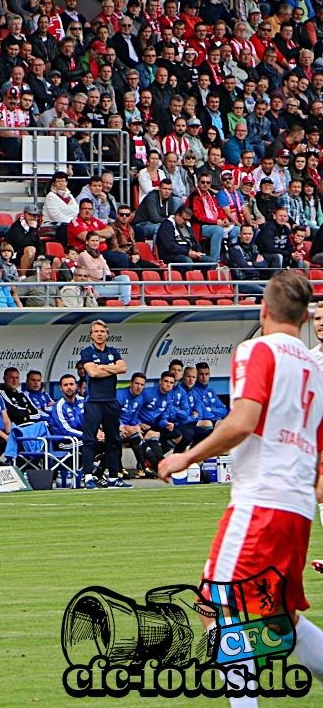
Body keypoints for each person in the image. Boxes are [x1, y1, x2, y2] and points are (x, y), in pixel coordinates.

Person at [158, 271, 323, 691]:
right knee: (280, 616)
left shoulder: (257, 350)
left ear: (263, 310)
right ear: (305, 318)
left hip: (261, 501)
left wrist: (187, 456)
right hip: (298, 507)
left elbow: (243, 421)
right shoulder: (313, 366)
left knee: (214, 609)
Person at [79, 319, 131, 489]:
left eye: (102, 331)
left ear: (107, 334)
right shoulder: (86, 352)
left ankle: (113, 477)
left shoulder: (113, 351)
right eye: (96, 331)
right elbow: (92, 372)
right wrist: (110, 367)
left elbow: (123, 368)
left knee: (114, 440)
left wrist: (103, 367)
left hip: (110, 401)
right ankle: (87, 477)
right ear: (91, 335)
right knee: (89, 440)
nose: (99, 334)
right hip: (93, 401)